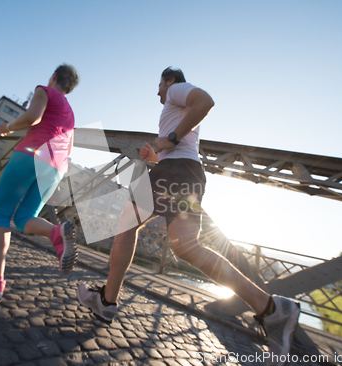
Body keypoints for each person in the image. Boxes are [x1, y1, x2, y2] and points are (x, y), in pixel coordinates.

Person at [77, 67, 300, 365]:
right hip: (183, 173)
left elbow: (206, 101)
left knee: (126, 221)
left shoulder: (175, 91)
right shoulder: (177, 107)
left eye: (159, 84)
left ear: (169, 81)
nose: (157, 92)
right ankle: (271, 309)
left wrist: (169, 137)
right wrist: (157, 155)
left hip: (177, 172)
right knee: (187, 247)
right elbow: (181, 145)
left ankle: (107, 300)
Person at [0, 64, 80, 300]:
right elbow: (69, 147)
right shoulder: (70, 113)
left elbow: (33, 117)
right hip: (56, 167)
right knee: (23, 217)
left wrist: (7, 128)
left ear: (54, 77)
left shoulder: (45, 90)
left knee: (1, 214)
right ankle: (55, 231)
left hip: (32, 155)